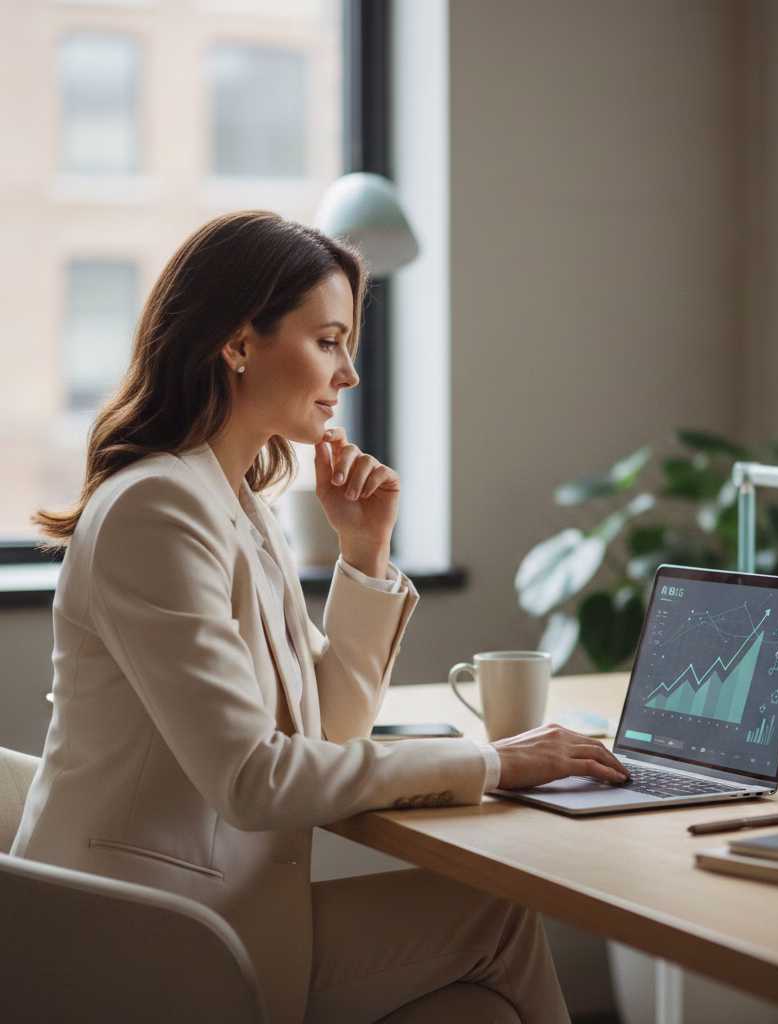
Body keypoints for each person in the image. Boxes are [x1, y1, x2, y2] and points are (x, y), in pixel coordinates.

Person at [11, 211, 630, 1024]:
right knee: (495, 919)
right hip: (137, 941)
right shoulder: (158, 509)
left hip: (209, 915)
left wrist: (363, 554)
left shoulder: (237, 502)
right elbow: (254, 780)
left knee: (480, 986)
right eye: (329, 340)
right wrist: (495, 763)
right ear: (239, 343)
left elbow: (328, 731)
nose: (350, 375)